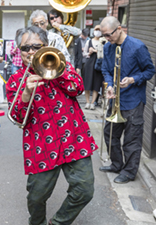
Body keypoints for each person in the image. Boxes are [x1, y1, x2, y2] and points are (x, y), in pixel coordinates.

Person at [6, 25, 96, 225]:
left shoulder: (62, 66)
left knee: (85, 189)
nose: (31, 51)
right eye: (25, 48)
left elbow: (78, 89)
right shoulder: (15, 80)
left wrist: (56, 71)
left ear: (46, 46)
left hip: (73, 137)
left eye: (36, 46)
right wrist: (26, 94)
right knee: (36, 197)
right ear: (19, 52)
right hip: (40, 145)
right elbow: (17, 118)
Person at [99, 16, 155, 184]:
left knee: (132, 138)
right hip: (116, 98)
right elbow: (106, 69)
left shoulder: (137, 46)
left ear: (120, 29)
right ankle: (117, 164)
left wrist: (133, 79)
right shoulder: (109, 48)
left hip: (133, 100)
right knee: (109, 133)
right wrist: (109, 85)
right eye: (104, 36)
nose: (107, 39)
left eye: (109, 35)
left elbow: (149, 71)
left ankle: (129, 172)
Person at [82, 25, 104, 110]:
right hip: (89, 64)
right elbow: (84, 54)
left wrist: (95, 51)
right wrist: (89, 53)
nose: (97, 31)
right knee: (87, 84)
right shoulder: (89, 41)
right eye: (96, 30)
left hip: (98, 65)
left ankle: (93, 103)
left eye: (99, 30)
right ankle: (87, 102)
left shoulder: (103, 41)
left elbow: (104, 53)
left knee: (96, 84)